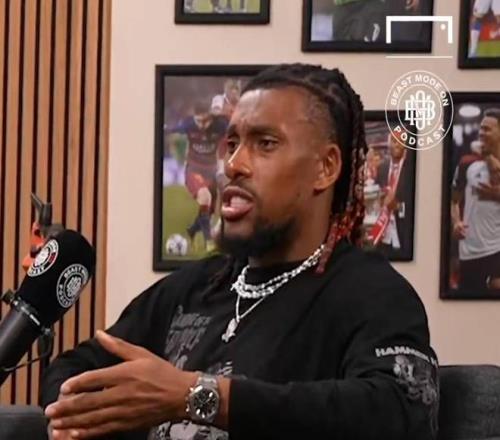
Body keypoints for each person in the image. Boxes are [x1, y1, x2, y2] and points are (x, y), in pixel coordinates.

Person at [41, 64, 439, 440]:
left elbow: (402, 410)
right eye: (232, 144)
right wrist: (76, 416)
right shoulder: (193, 287)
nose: (233, 165)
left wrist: (198, 396)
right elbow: (76, 368)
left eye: (265, 144)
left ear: (325, 167)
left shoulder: (371, 293)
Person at [165, 101, 228, 249]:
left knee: (209, 212)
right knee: (205, 197)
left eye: (205, 121)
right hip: (194, 169)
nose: (201, 125)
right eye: (198, 121)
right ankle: (209, 241)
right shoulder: (189, 124)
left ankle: (192, 230)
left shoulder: (220, 125)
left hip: (211, 171)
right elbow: (172, 129)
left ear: (211, 117)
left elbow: (236, 125)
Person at [452, 108, 500, 292]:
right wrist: (456, 222)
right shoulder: (467, 163)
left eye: (487, 129)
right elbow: (454, 200)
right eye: (481, 128)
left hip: (496, 247)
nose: (481, 132)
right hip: (469, 251)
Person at [370, 133, 414, 259]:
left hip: (403, 234)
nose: (397, 145)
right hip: (384, 235)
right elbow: (376, 196)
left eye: (401, 141)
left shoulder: (411, 170)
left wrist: (398, 207)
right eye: (394, 141)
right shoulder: (382, 169)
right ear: (389, 144)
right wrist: (379, 201)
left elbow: (417, 205)